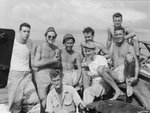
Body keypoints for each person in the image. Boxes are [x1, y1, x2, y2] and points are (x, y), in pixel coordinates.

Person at [97, 26, 139, 100]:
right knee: (100, 69)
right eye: (116, 35)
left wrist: (135, 77)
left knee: (129, 57)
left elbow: (136, 63)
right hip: (115, 71)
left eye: (120, 34)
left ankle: (128, 83)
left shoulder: (129, 47)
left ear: (124, 35)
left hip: (124, 73)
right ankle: (118, 91)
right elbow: (114, 58)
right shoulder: (115, 46)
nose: (118, 36)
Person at [7, 23, 40, 113]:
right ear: (19, 31)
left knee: (34, 101)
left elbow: (31, 60)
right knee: (15, 105)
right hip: (15, 75)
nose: (26, 33)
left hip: (27, 75)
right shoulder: (12, 43)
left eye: (28, 31)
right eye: (24, 31)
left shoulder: (30, 42)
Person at [34, 27, 61, 109]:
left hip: (53, 77)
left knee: (54, 99)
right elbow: (36, 63)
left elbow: (58, 65)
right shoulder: (40, 47)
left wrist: (55, 61)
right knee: (43, 100)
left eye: (53, 37)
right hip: (42, 77)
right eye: (49, 36)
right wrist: (52, 61)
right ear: (45, 36)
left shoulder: (56, 49)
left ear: (55, 37)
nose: (51, 38)